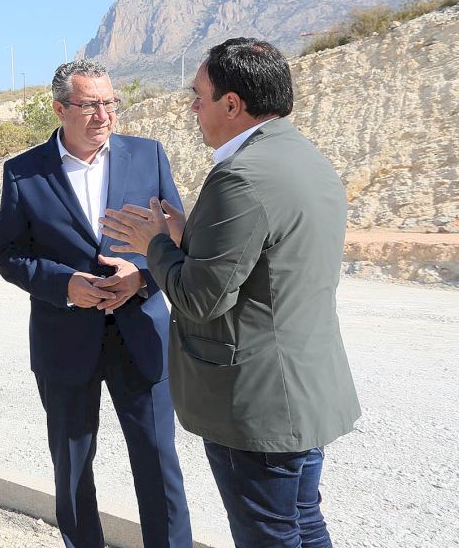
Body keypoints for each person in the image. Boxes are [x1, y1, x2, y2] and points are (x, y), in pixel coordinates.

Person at [102, 38, 361, 548]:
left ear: (232, 104)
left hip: (257, 402)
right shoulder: (302, 157)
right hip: (301, 389)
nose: (192, 108)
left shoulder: (240, 176)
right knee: (302, 523)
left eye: (198, 97)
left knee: (269, 534)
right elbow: (265, 261)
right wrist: (188, 237)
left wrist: (154, 244)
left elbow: (201, 298)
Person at [0, 59, 192, 548]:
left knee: (159, 464)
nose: (103, 115)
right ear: (60, 109)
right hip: (65, 342)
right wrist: (65, 285)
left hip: (140, 334)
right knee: (73, 468)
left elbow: (180, 238)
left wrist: (142, 276)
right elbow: (9, 254)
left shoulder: (149, 156)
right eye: (89, 105)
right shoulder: (23, 172)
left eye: (110, 103)